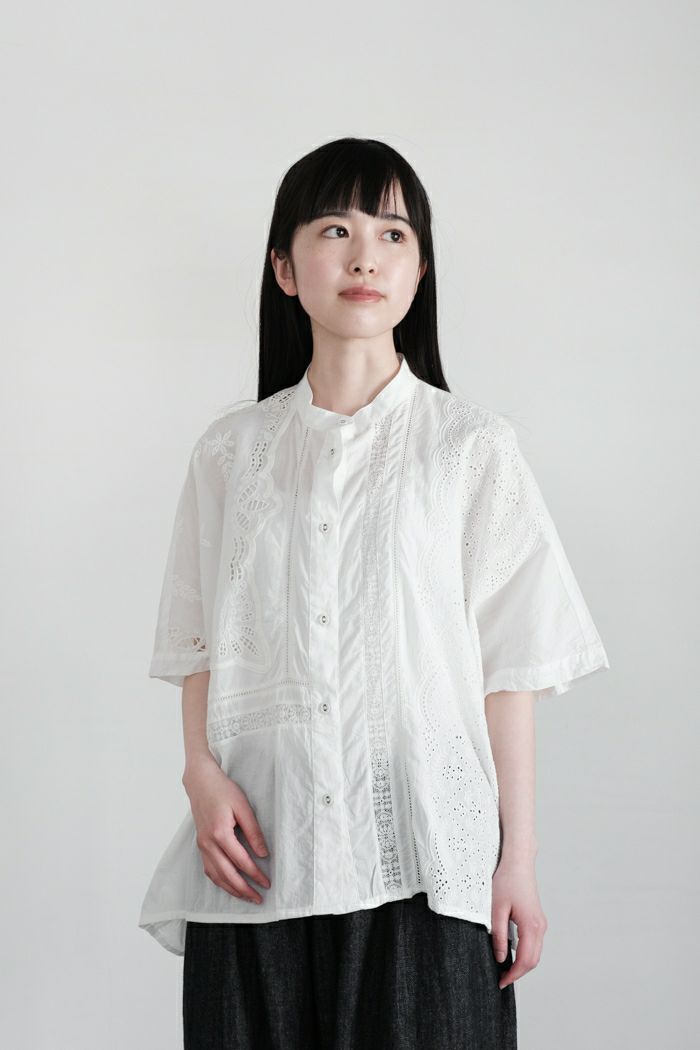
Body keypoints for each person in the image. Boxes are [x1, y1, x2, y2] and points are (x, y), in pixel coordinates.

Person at [138, 137, 610, 1049]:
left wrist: (516, 859)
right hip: (258, 861)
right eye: (334, 231)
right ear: (284, 269)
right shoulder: (231, 453)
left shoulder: (471, 448)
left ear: (420, 270)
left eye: (393, 234)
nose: (365, 257)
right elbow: (198, 640)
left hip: (428, 864)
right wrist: (199, 772)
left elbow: (510, 669)